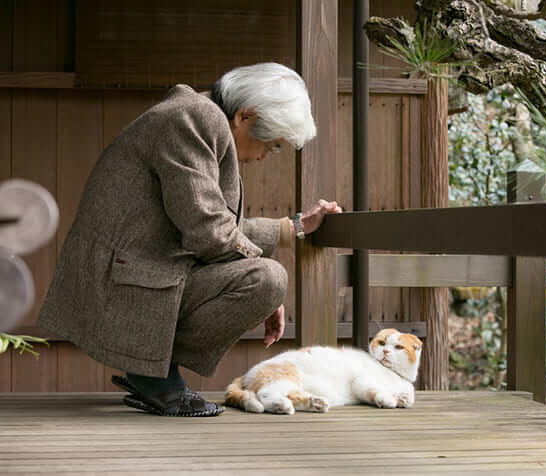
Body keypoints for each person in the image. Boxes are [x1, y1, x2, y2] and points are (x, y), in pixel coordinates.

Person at [38, 63, 342, 416]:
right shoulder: (194, 119)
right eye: (272, 146)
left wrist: (297, 226)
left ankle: (151, 372)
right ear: (246, 116)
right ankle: (153, 373)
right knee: (269, 278)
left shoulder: (199, 116)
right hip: (123, 284)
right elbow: (208, 230)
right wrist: (264, 284)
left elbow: (219, 225)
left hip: (142, 273)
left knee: (266, 277)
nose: (264, 157)